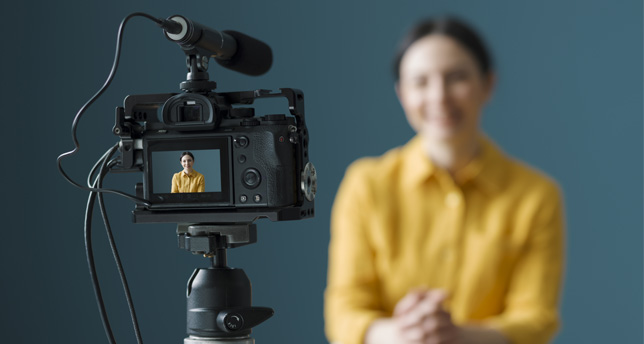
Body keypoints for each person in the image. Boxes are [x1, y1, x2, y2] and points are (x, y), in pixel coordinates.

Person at [324, 17, 565, 344]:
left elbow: (535, 319)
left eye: (457, 77)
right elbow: (344, 311)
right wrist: (404, 334)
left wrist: (457, 336)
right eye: (420, 82)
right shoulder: (366, 184)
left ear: (488, 85)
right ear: (402, 94)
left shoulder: (536, 195)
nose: (439, 96)